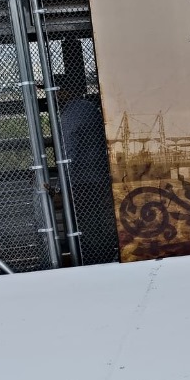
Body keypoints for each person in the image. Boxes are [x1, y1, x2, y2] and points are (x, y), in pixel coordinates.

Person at [56, 76, 119, 263]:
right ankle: (99, 255)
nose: (54, 96)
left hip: (81, 178)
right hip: (94, 175)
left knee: (84, 222)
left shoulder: (72, 113)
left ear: (65, 91)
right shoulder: (88, 108)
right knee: (94, 219)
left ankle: (93, 258)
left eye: (57, 91)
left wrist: (61, 185)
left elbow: (69, 151)